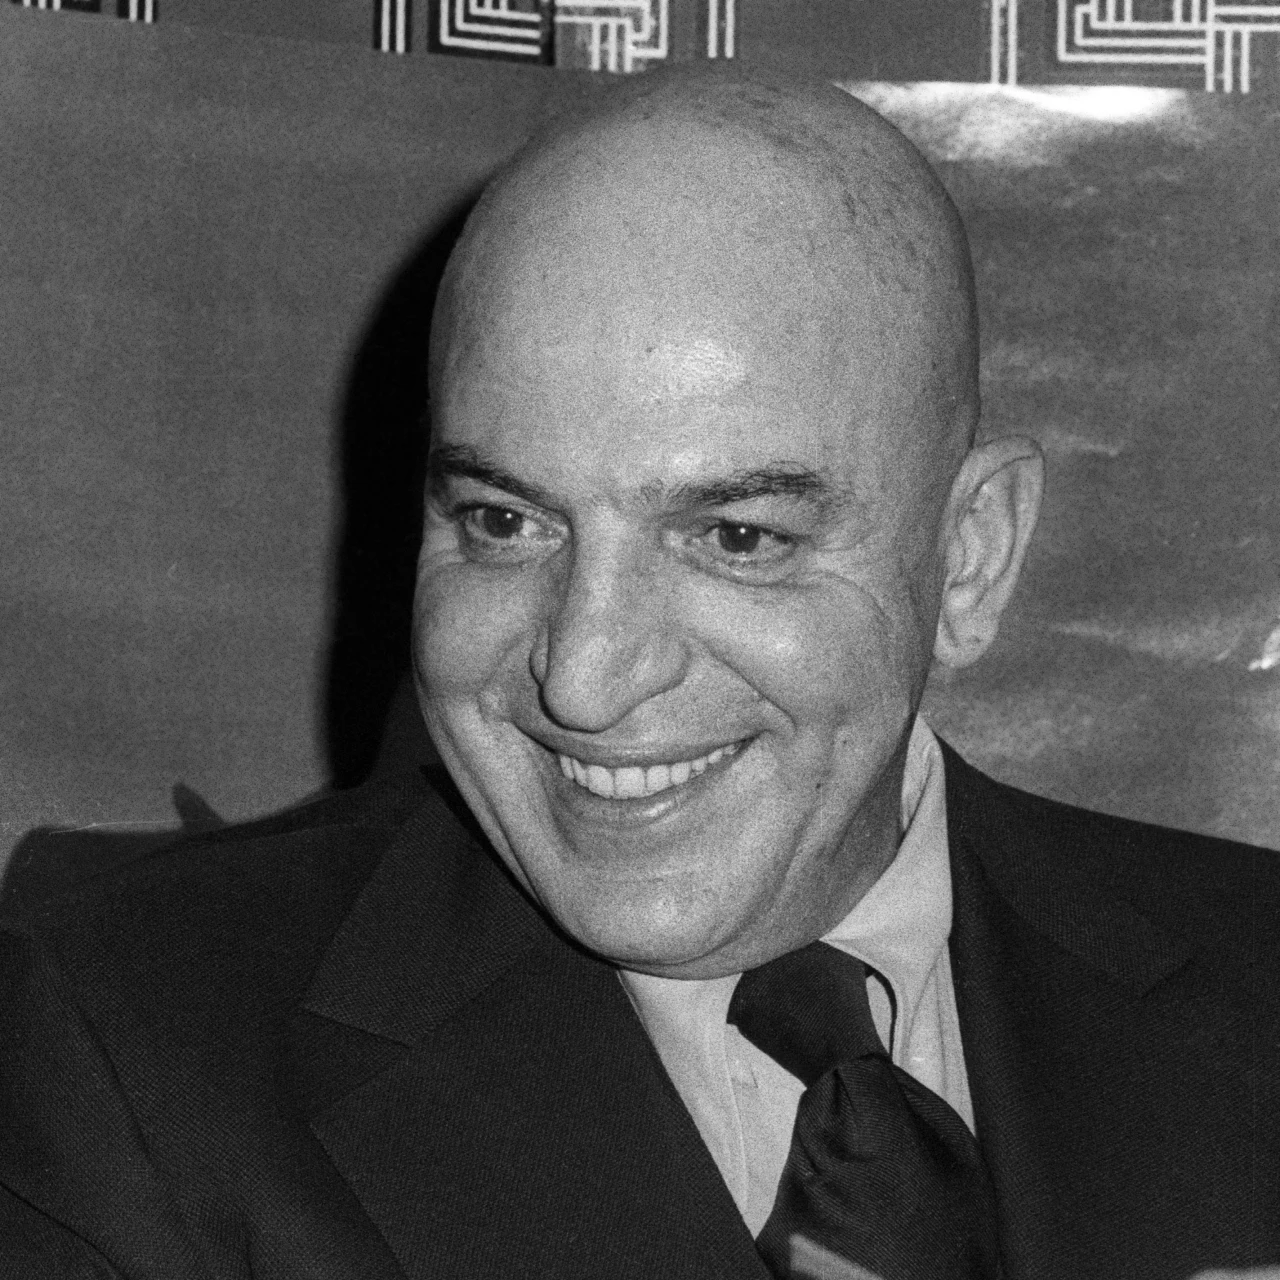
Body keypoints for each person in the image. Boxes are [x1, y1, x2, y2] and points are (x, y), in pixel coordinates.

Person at [0, 66, 1276, 1280]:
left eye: (735, 537)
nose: (584, 676)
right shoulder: (123, 1046)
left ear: (969, 558)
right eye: (504, 520)